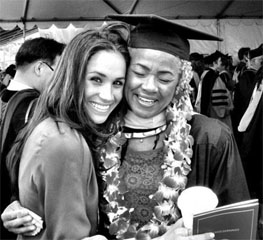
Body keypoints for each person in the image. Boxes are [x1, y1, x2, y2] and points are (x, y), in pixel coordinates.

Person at [2, 14, 250, 240]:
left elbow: (237, 227)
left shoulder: (209, 137)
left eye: (165, 78)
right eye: (139, 73)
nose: (150, 87)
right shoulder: (92, 129)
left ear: (181, 82)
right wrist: (19, 207)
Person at [0, 38, 65, 240]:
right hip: (21, 215)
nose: (62, 80)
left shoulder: (3, 97)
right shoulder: (34, 108)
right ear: (40, 68)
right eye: (60, 71)